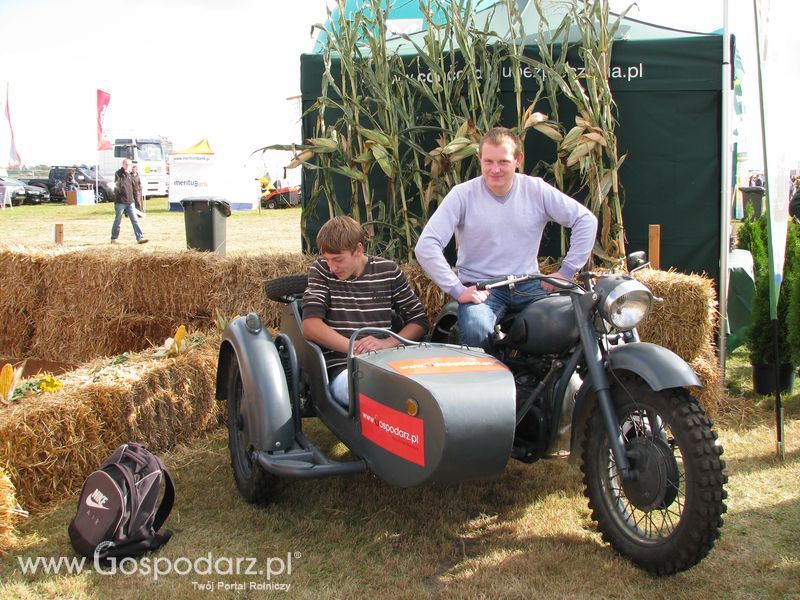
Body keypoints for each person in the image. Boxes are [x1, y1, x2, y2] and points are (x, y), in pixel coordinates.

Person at [415, 126, 597, 351]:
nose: (495, 169)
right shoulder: (463, 195)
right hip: (483, 288)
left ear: (518, 159)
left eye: (503, 162)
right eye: (488, 161)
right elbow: (426, 245)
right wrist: (457, 290)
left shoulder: (535, 189)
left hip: (528, 284)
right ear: (479, 158)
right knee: (476, 330)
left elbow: (586, 220)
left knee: (581, 315)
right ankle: (488, 385)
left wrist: (567, 272)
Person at [302, 216, 429, 406]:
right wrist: (355, 348)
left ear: (358, 250)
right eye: (327, 259)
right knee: (373, 391)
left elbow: (419, 321)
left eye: (337, 259)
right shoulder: (321, 270)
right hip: (342, 368)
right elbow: (310, 326)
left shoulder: (389, 271)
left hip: (388, 363)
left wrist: (388, 343)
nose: (332, 267)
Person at [110, 158, 148, 244]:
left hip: (130, 202)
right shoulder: (119, 173)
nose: (127, 166)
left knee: (135, 220)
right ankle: (114, 238)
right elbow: (119, 184)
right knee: (118, 220)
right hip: (120, 202)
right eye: (126, 164)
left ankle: (139, 238)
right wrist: (126, 174)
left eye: (129, 165)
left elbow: (134, 188)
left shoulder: (131, 175)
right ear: (123, 165)